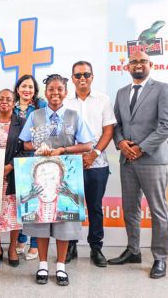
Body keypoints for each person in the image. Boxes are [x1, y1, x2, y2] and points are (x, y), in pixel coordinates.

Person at [19, 74, 93, 286]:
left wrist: (63, 149)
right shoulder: (35, 115)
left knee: (63, 223)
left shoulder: (73, 115)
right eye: (51, 89)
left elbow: (87, 144)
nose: (55, 93)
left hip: (65, 176)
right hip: (41, 175)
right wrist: (38, 147)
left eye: (59, 89)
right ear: (46, 92)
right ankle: (43, 264)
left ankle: (60, 266)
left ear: (65, 92)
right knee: (41, 220)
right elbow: (24, 144)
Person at [108, 51, 168, 279]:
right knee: (130, 209)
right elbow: (116, 124)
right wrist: (122, 143)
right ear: (128, 67)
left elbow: (165, 126)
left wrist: (140, 148)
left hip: (152, 160)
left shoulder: (162, 89)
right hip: (127, 160)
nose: (138, 65)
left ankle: (160, 258)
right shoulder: (122, 93)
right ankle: (133, 251)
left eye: (143, 61)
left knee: (158, 211)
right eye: (134, 62)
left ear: (150, 64)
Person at [64, 61, 116, 267]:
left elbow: (109, 131)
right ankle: (70, 246)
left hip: (98, 163)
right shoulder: (66, 102)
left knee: (94, 207)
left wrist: (93, 154)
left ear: (92, 77)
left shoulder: (103, 100)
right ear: (72, 78)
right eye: (78, 75)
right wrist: (76, 156)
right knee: (71, 207)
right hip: (71, 164)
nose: (82, 78)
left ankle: (96, 248)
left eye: (86, 74)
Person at [0, 89, 25, 267]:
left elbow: (27, 149)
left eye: (8, 99)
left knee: (15, 214)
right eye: (1, 99)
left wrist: (10, 167)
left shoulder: (22, 123)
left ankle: (12, 248)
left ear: (14, 102)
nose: (4, 102)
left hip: (14, 174)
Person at [13, 74, 46, 260]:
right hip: (17, 159)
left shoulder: (40, 106)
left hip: (36, 158)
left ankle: (34, 243)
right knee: (22, 201)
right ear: (17, 89)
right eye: (24, 86)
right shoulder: (12, 106)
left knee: (36, 202)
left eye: (31, 87)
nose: (27, 90)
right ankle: (21, 238)